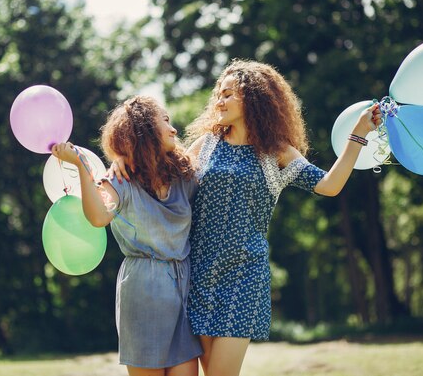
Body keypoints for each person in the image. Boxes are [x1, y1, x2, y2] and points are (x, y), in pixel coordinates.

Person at [110, 59, 382, 376]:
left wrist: (358, 134)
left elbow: (329, 185)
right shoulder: (206, 145)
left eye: (228, 94)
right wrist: (122, 160)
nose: (219, 101)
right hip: (196, 276)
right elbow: (158, 170)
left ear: (252, 97)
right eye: (218, 95)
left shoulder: (277, 152)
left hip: (243, 277)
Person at [52, 96, 203, 376]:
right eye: (165, 122)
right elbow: (98, 217)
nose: (174, 130)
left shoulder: (183, 176)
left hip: (184, 288)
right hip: (144, 290)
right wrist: (81, 168)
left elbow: (207, 142)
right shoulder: (119, 180)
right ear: (145, 131)